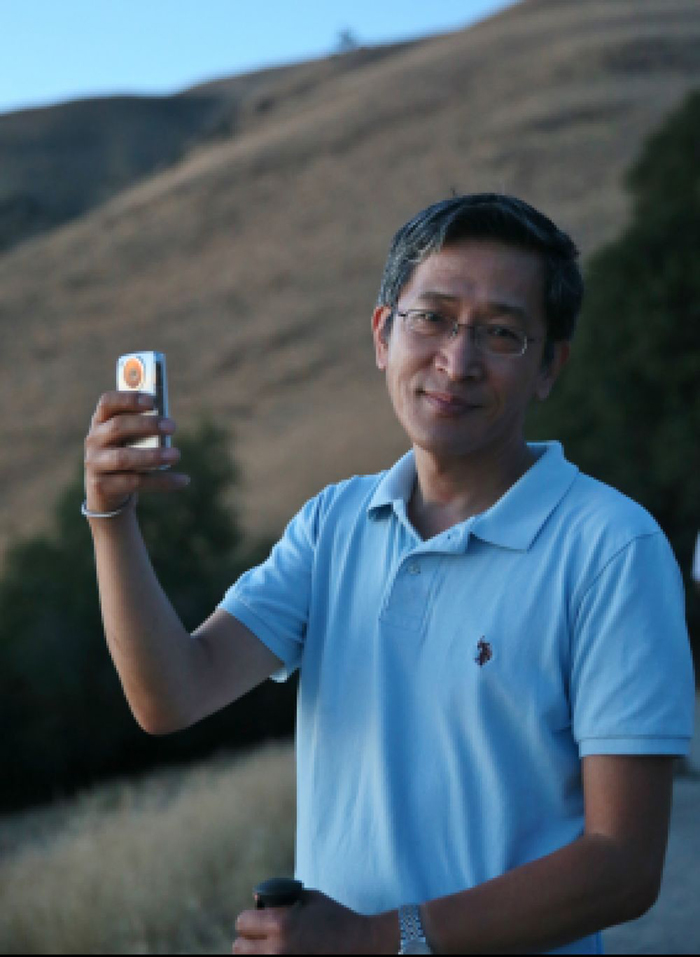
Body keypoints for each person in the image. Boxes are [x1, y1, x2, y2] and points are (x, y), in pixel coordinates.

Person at [83, 194, 695, 955]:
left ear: (549, 367)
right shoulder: (332, 524)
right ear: (383, 333)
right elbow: (171, 694)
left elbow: (624, 864)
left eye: (502, 333)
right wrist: (111, 516)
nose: (457, 362)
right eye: (431, 318)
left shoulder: (611, 547)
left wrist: (377, 938)